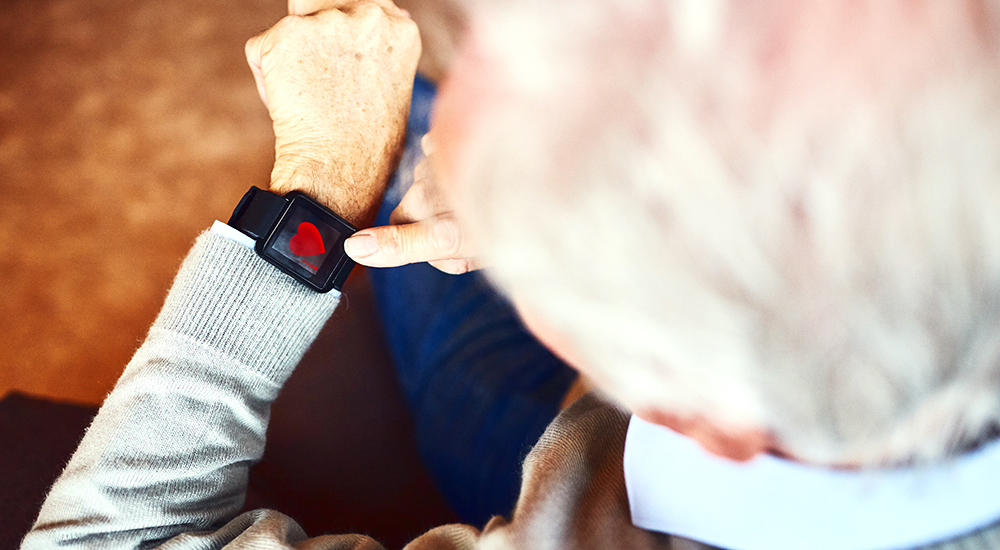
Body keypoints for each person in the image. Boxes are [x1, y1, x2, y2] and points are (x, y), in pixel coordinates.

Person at [22, 0, 1000, 548]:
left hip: (554, 471)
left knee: (403, 128)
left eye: (526, 249)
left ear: (698, 407)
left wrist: (314, 190)